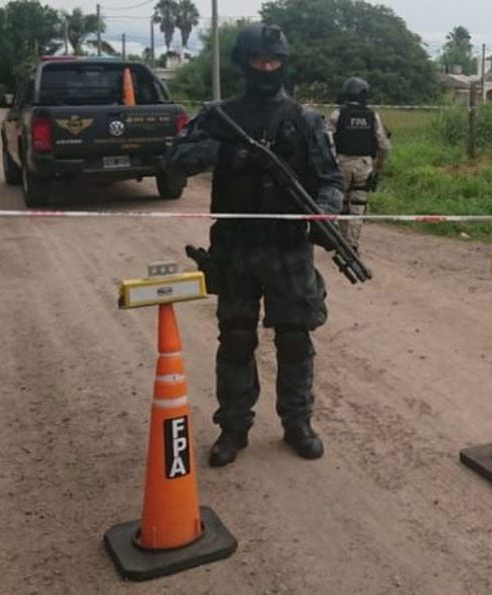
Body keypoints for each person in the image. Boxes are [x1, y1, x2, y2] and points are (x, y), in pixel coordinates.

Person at [165, 23, 344, 467]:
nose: (268, 68)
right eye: (260, 61)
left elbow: (330, 181)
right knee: (238, 339)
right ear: (244, 63)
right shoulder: (219, 116)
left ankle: (297, 422)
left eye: (275, 61)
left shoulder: (303, 120)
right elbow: (175, 160)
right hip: (236, 247)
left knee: (295, 339)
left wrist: (324, 212)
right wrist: (221, 155)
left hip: (287, 248)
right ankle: (233, 426)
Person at [327, 77, 391, 253]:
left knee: (342, 203)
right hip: (364, 164)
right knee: (358, 205)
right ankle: (352, 244)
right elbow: (384, 145)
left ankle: (340, 241)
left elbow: (327, 142)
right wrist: (379, 166)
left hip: (341, 163)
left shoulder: (337, 114)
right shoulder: (372, 116)